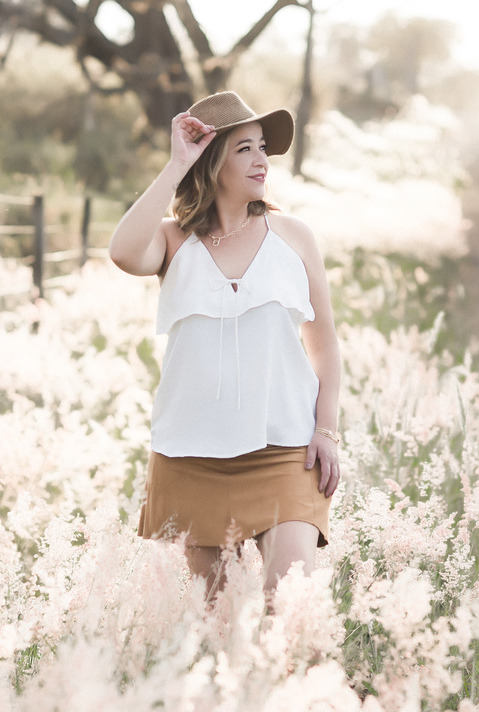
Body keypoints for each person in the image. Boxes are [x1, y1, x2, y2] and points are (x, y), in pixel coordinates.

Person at [108, 90, 341, 601]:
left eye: (263, 147)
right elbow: (122, 252)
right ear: (212, 161)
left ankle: (290, 684)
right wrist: (175, 165)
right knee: (216, 622)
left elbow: (324, 345)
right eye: (244, 149)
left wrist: (326, 429)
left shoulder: (294, 236)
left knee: (290, 604)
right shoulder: (174, 241)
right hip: (194, 455)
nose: (261, 160)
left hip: (285, 451)